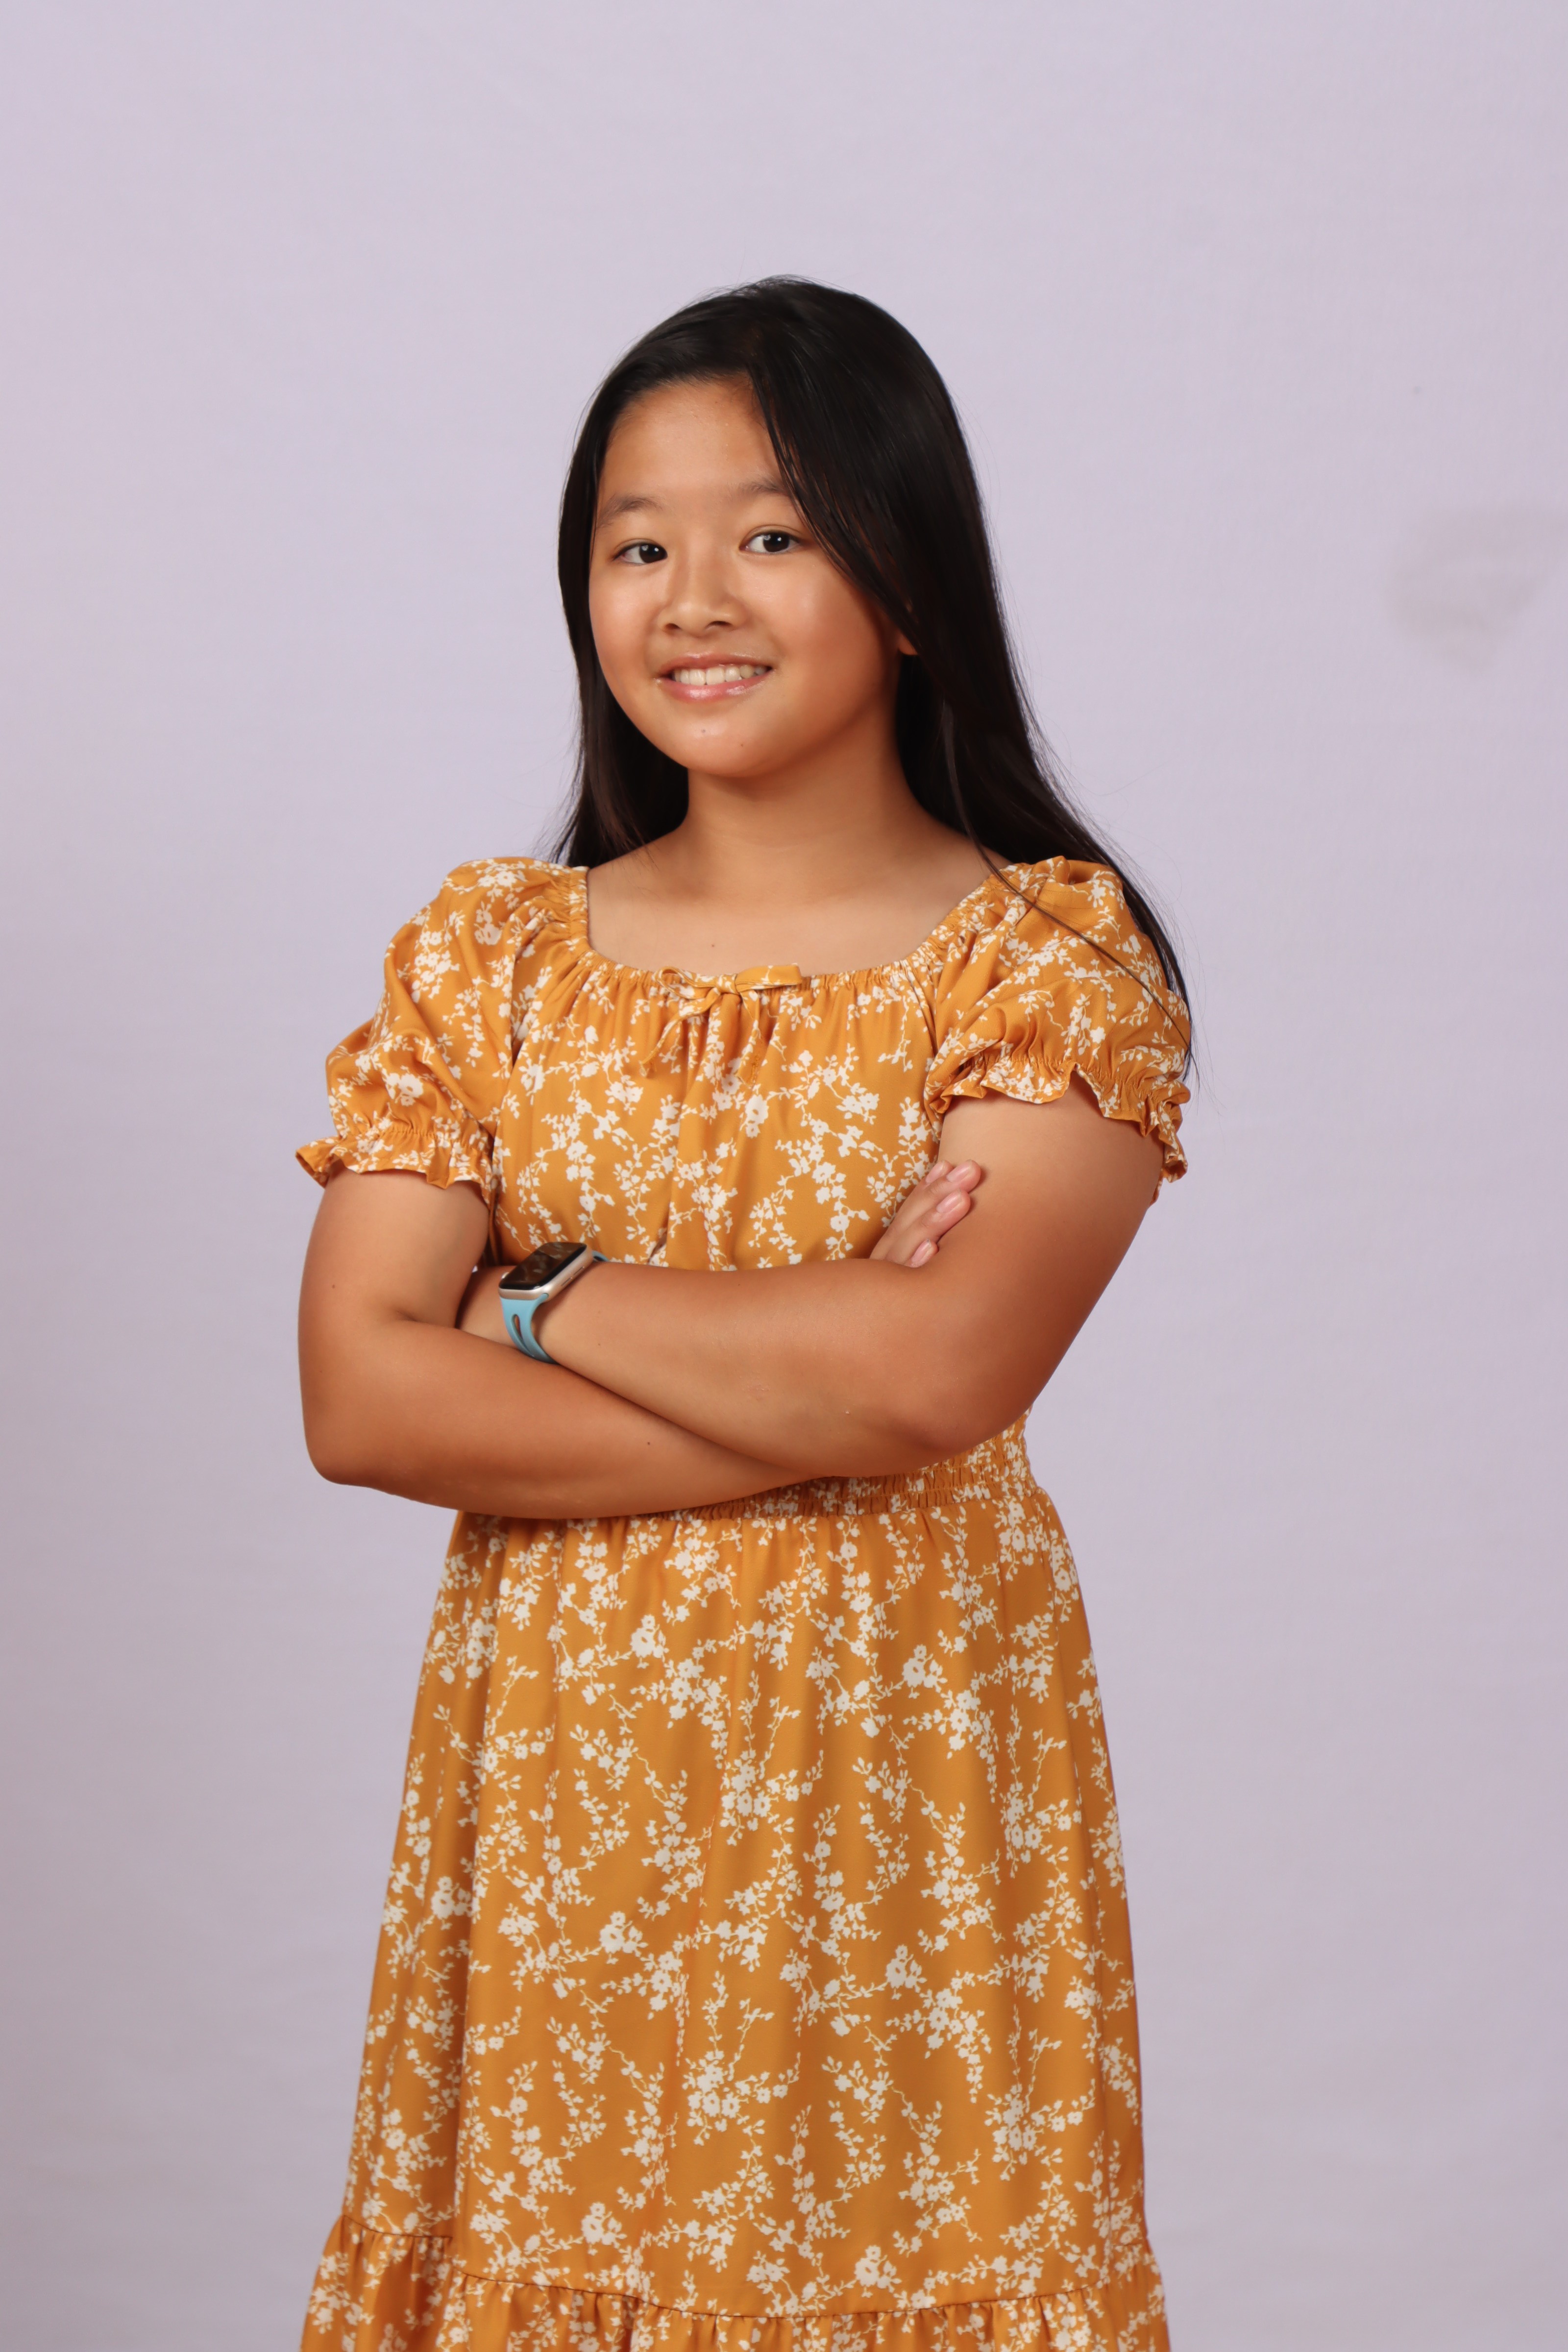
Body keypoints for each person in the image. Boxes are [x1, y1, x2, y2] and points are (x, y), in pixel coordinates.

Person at [295, 278, 1191, 2352]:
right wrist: (819, 1363)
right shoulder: (489, 961)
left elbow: (938, 1375)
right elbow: (360, 1398)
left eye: (771, 533)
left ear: (908, 583)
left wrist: (537, 1297)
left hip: (901, 1801)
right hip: (564, 1821)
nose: (693, 598)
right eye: (637, 545)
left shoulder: (1043, 965)